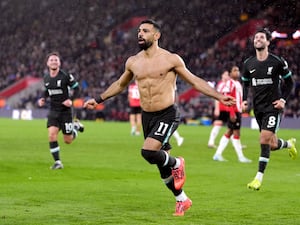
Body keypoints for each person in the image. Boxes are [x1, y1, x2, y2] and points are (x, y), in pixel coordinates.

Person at [84, 19, 235, 216]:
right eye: (139, 31)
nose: (140, 34)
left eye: (145, 31)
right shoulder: (133, 62)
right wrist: (98, 99)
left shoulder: (171, 59)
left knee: (148, 152)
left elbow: (195, 82)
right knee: (161, 169)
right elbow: (120, 84)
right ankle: (182, 199)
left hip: (168, 113)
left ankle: (177, 163)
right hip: (147, 116)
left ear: (157, 36)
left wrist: (219, 96)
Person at [241, 28, 297, 191]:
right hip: (258, 109)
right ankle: (289, 144)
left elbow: (290, 83)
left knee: (264, 139)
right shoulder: (248, 64)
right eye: (256, 37)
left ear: (268, 41)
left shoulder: (277, 62)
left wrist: (283, 100)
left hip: (273, 108)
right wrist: (245, 100)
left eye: (261, 37)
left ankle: (258, 178)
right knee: (271, 144)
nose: (257, 39)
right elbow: (245, 83)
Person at [38, 52, 84, 170]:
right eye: (52, 60)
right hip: (53, 111)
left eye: (56, 60)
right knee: (52, 135)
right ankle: (58, 162)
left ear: (59, 63)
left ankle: (74, 128)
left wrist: (71, 100)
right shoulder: (46, 77)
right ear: (47, 63)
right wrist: (43, 98)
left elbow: (77, 88)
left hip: (65, 112)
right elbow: (47, 91)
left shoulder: (66, 76)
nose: (54, 62)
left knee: (67, 140)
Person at [213, 66, 252, 163]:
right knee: (236, 133)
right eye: (235, 70)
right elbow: (227, 97)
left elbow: (238, 97)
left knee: (229, 132)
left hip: (237, 111)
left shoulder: (238, 83)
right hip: (233, 112)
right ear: (230, 73)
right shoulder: (230, 83)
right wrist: (231, 112)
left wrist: (242, 104)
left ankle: (217, 154)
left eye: (238, 70)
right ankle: (241, 157)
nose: (237, 72)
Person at [207, 70, 230, 148]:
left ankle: (237, 144)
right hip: (222, 108)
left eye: (228, 75)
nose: (227, 76)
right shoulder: (221, 85)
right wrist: (217, 108)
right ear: (222, 76)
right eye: (226, 75)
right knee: (218, 124)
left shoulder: (229, 84)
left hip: (228, 108)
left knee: (232, 127)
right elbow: (216, 97)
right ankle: (211, 142)